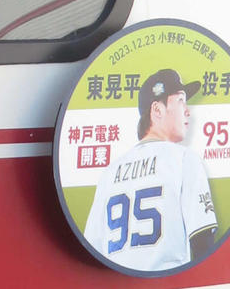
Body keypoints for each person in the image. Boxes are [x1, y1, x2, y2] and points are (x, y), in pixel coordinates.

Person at [88, 68, 218, 272]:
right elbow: (203, 242)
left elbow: (91, 252)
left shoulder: (109, 173)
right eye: (181, 100)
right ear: (157, 110)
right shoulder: (184, 159)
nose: (187, 110)